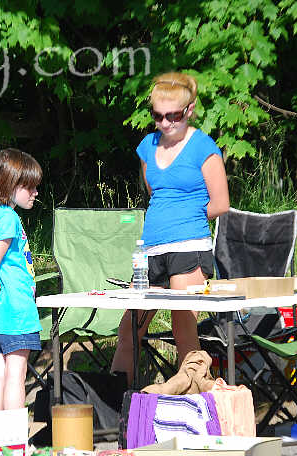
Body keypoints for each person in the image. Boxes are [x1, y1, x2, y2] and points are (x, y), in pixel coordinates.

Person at [111, 71, 230, 386]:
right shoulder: (147, 146)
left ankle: (194, 404)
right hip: (151, 250)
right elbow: (154, 192)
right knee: (129, 329)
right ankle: (116, 404)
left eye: (173, 116)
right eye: (158, 116)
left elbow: (220, 203)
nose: (164, 123)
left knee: (183, 331)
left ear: (189, 110)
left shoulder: (203, 147)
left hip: (189, 248)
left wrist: (185, 216)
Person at [0, 148, 42, 412]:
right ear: (11, 185)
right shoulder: (9, 218)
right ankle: (14, 441)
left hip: (4, 307)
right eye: (30, 187)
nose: (35, 192)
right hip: (15, 309)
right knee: (16, 375)